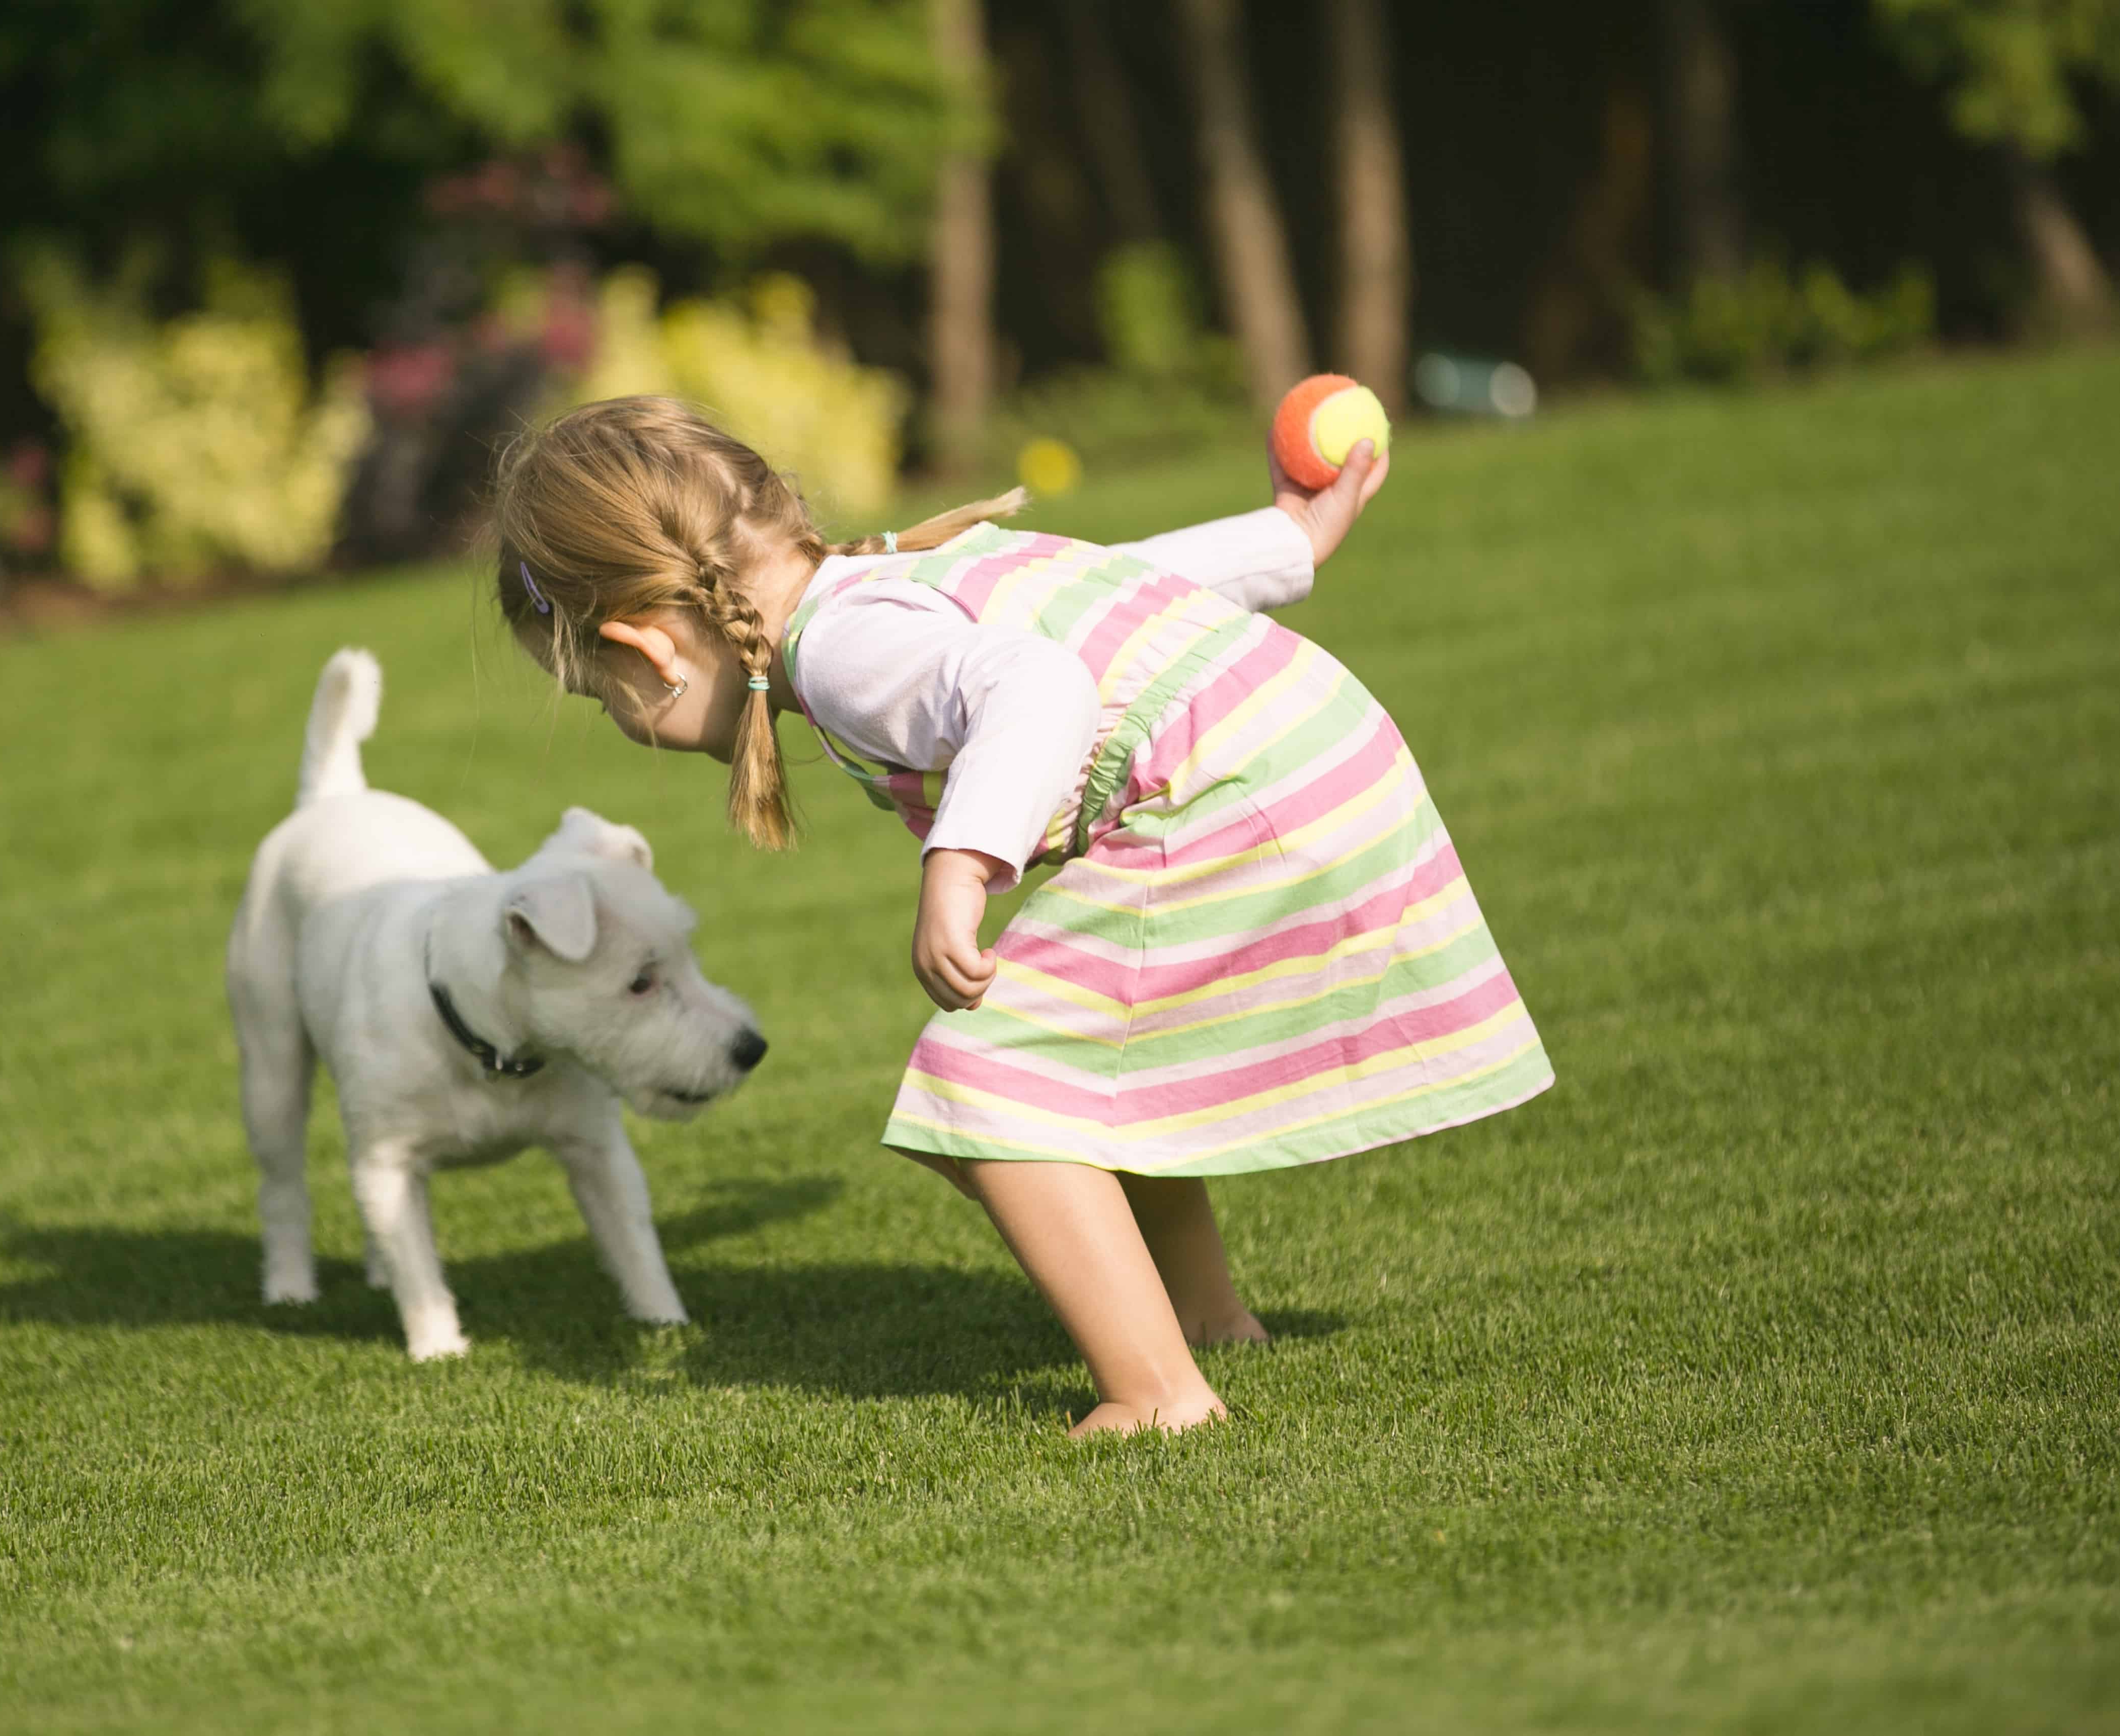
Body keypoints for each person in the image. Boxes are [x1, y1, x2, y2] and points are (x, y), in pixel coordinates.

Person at [490, 397, 1551, 1436]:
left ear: (646, 649)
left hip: (1237, 798)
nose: (623, 723)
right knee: (1085, 1061)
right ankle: (1206, 1320)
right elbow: (1115, 586)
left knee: (988, 1084)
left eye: (601, 698)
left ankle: (1159, 1395)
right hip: (1310, 753)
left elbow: (1040, 683)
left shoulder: (842, 648)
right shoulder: (889, 577)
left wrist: (962, 859)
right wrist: (1285, 542)